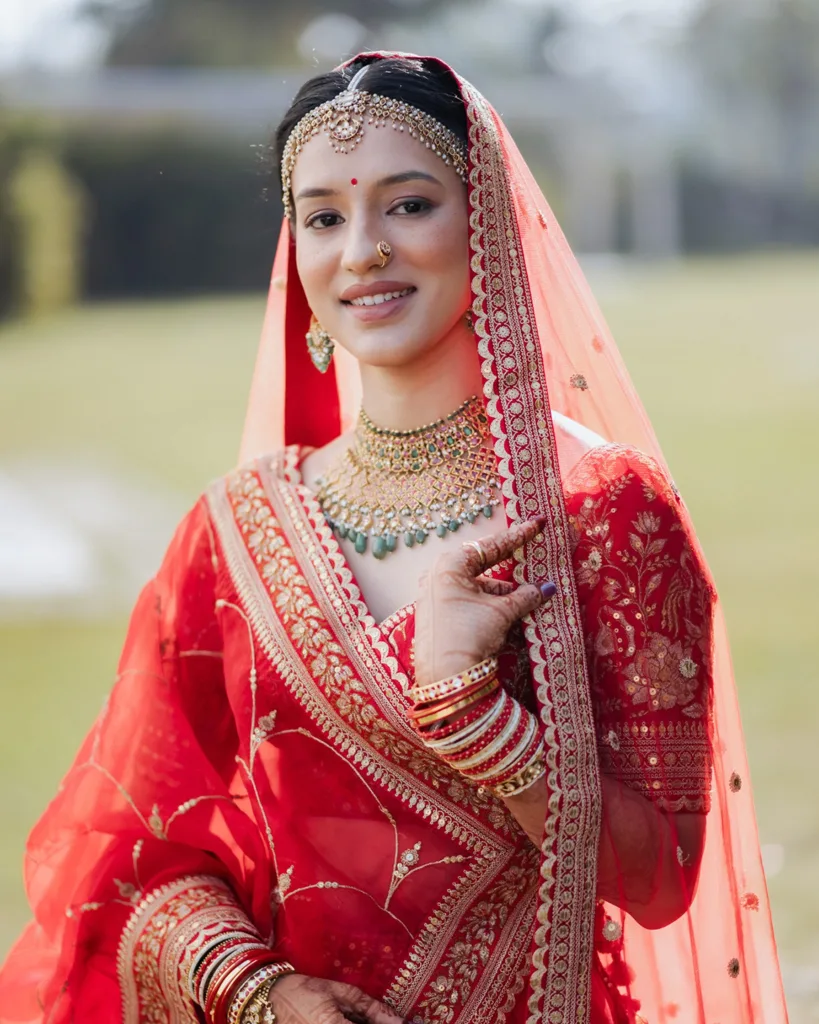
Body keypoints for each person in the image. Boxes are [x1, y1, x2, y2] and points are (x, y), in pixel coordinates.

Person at [0, 52, 788, 1024]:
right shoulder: (236, 532)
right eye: (324, 216)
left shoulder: (601, 508)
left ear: (487, 223)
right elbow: (130, 860)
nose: (362, 249)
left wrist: (477, 717)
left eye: (407, 205)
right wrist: (262, 991)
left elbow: (662, 877)